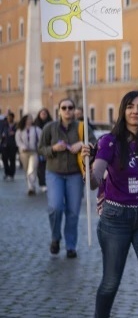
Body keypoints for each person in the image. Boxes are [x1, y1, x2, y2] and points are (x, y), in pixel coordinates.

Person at [81, 90, 138, 317]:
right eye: (131, 106)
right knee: (110, 283)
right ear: (123, 111)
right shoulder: (108, 142)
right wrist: (86, 166)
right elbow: (94, 182)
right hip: (115, 218)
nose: (135, 111)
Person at [38, 98, 96, 259]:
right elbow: (40, 149)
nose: (67, 110)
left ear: (74, 109)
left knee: (73, 212)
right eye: (64, 107)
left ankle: (71, 246)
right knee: (55, 207)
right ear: (59, 110)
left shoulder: (82, 127)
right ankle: (55, 237)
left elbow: (95, 144)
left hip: (75, 174)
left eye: (70, 107)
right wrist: (53, 149)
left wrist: (81, 145)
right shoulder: (50, 128)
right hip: (54, 173)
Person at [15, 114, 43, 196]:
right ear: (24, 120)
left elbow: (41, 139)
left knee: (32, 169)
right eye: (28, 119)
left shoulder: (36, 129)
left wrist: (38, 146)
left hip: (33, 152)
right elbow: (18, 141)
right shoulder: (20, 130)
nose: (30, 121)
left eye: (31, 119)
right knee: (26, 170)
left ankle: (31, 187)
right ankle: (30, 185)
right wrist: (23, 147)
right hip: (23, 153)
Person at [33, 108, 54, 192]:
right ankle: (42, 183)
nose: (43, 115)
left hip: (49, 148)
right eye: (42, 113)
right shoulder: (35, 125)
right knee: (40, 167)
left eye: (45, 113)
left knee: (49, 167)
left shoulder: (51, 124)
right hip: (39, 149)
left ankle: (49, 183)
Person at [1, 112, 18, 182]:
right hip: (4, 144)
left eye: (10, 117)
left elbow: (19, 133)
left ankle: (11, 174)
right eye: (7, 118)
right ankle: (6, 172)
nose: (8, 119)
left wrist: (14, 133)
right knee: (4, 159)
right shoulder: (4, 125)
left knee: (12, 159)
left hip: (13, 145)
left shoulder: (16, 126)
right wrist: (2, 135)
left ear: (12, 118)